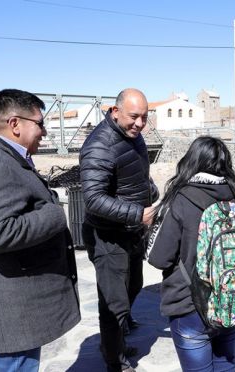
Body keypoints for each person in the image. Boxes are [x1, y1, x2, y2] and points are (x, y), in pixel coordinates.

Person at [0, 89, 80, 372]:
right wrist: (54, 214)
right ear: (15, 124)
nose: (45, 132)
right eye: (39, 123)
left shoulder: (7, 157)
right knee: (17, 365)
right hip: (14, 306)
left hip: (21, 301)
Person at [147, 136, 235, 371]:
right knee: (226, 364)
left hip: (190, 303)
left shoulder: (180, 199)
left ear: (191, 161)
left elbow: (159, 258)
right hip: (231, 298)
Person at [79, 88, 158, 372]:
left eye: (144, 118)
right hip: (108, 237)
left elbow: (133, 173)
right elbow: (93, 198)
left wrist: (150, 190)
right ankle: (115, 360)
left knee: (133, 286)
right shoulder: (99, 145)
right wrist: (138, 212)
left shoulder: (132, 137)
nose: (139, 123)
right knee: (114, 304)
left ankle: (115, 344)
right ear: (115, 112)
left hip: (130, 232)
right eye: (134, 117)